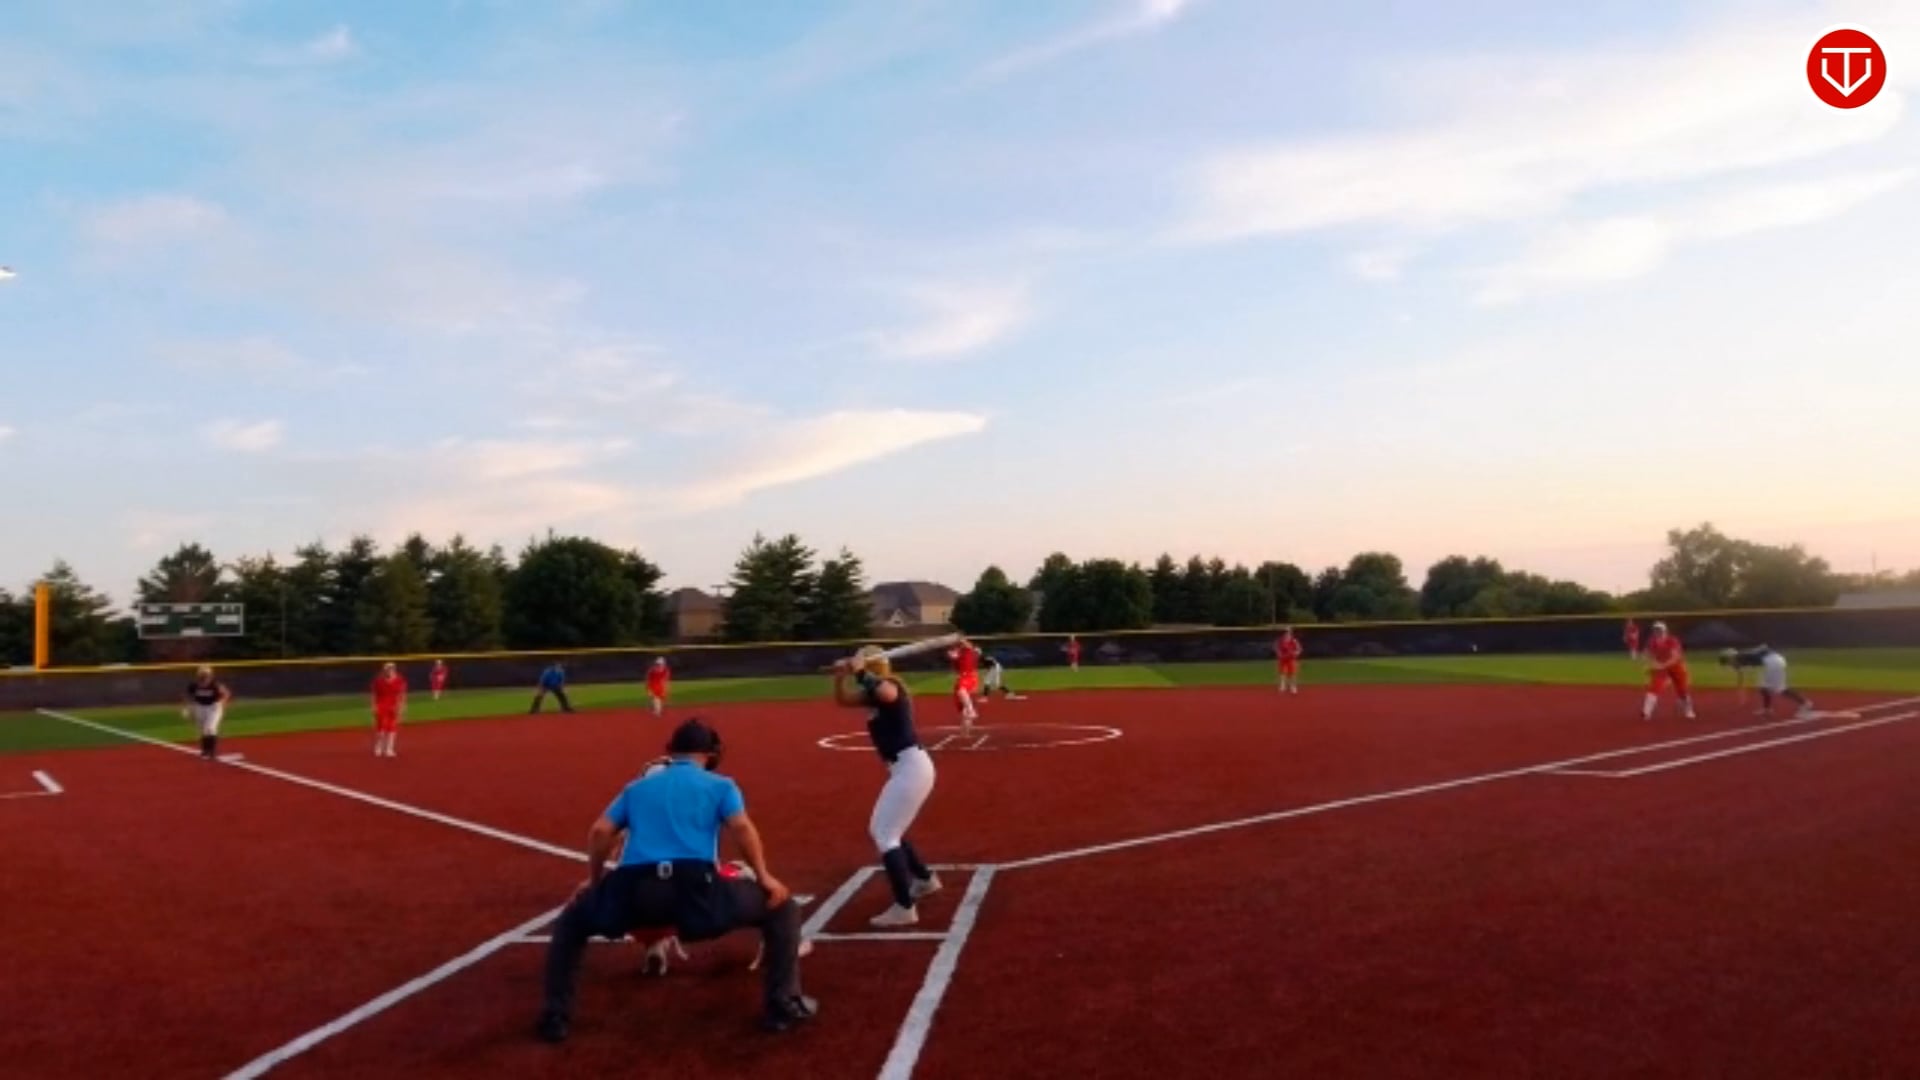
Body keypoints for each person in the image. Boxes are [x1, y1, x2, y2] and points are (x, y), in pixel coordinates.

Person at [536, 718, 815, 1043]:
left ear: (670, 751)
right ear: (711, 753)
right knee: (782, 908)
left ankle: (555, 1017)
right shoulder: (721, 785)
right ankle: (783, 1006)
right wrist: (764, 877)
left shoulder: (636, 788)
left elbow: (600, 832)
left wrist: (595, 881)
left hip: (634, 894)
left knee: (571, 921)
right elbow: (741, 828)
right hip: (697, 897)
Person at [833, 646, 941, 928]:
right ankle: (925, 879)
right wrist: (840, 678)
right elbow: (843, 700)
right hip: (906, 768)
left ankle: (905, 907)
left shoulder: (890, 686)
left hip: (911, 767)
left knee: (884, 833)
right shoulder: (872, 693)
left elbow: (887, 694)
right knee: (890, 829)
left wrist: (859, 672)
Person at [1719, 645, 1815, 719]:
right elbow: (1762, 650)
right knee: (1763, 686)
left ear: (1730, 657)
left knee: (1780, 688)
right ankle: (1767, 709)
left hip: (1772, 662)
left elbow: (1740, 671)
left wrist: (1740, 687)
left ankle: (1805, 703)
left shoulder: (1739, 657)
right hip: (1774, 661)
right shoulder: (1742, 656)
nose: (1728, 664)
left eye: (1727, 661)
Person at [1640, 622, 1696, 721]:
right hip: (1661, 667)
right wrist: (1650, 664)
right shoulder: (1652, 641)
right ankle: (1646, 712)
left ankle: (1689, 710)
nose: (1657, 632)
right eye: (1656, 630)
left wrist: (1661, 665)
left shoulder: (1672, 640)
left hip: (1676, 666)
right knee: (1654, 687)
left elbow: (1675, 657)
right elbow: (1646, 654)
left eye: (1659, 630)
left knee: (1682, 690)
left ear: (1665, 631)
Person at [181, 666, 233, 761]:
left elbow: (226, 694)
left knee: (210, 728)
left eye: (206, 675)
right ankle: (205, 750)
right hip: (199, 707)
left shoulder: (215, 685)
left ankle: (212, 751)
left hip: (213, 707)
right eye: (202, 675)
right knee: (202, 730)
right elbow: (187, 696)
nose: (204, 677)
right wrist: (186, 708)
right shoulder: (194, 685)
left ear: (210, 676)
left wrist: (222, 704)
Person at [370, 662, 407, 758]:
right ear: (384, 670)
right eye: (387, 669)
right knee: (381, 729)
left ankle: (389, 749)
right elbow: (374, 694)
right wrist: (373, 706)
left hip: (394, 706)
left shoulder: (399, 680)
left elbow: (402, 694)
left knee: (392, 728)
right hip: (381, 705)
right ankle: (378, 747)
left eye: (391, 669)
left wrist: (402, 707)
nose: (389, 671)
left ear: (394, 670)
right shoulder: (378, 681)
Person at [947, 637, 982, 736]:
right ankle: (965, 732)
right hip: (963, 677)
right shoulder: (960, 653)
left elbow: (967, 646)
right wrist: (954, 653)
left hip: (969, 676)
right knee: (962, 708)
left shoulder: (971, 651)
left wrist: (958, 640)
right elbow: (953, 656)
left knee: (961, 691)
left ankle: (971, 711)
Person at [1275, 627, 1302, 695]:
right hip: (1283, 658)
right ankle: (1283, 685)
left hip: (1291, 659)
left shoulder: (1294, 640)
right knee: (1282, 672)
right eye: (1285, 631)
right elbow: (1277, 648)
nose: (1287, 633)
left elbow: (1299, 649)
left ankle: (1293, 687)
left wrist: (1295, 653)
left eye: (1288, 631)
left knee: (1292, 673)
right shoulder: (1280, 640)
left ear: (1291, 632)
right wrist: (1279, 654)